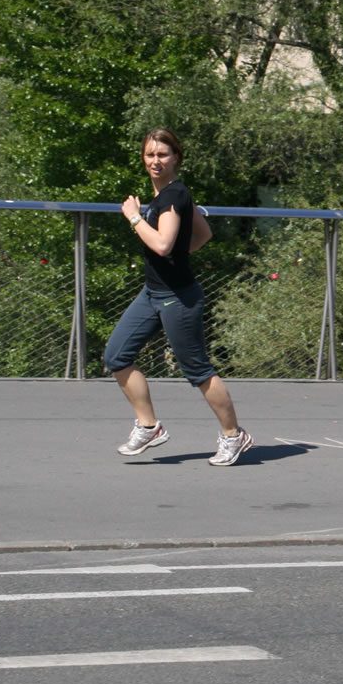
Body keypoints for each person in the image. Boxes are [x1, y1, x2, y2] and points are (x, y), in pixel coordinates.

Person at [105, 129, 252, 466]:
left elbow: (161, 244)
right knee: (117, 356)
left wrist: (133, 217)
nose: (155, 161)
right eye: (150, 155)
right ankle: (149, 427)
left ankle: (234, 436)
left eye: (162, 155)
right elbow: (203, 234)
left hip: (178, 298)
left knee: (197, 370)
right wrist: (176, 256)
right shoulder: (169, 197)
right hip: (152, 293)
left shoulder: (173, 196)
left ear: (176, 158)